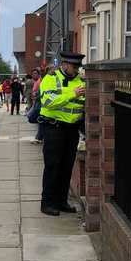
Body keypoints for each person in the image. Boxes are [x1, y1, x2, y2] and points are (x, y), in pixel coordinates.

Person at [39, 51, 86, 216]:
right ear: (65, 64)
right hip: (54, 128)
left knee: (67, 167)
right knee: (53, 166)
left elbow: (83, 105)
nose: (77, 69)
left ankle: (61, 201)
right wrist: (72, 94)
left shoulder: (81, 82)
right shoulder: (50, 79)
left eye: (78, 66)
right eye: (74, 66)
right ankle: (47, 203)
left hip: (72, 129)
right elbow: (48, 102)